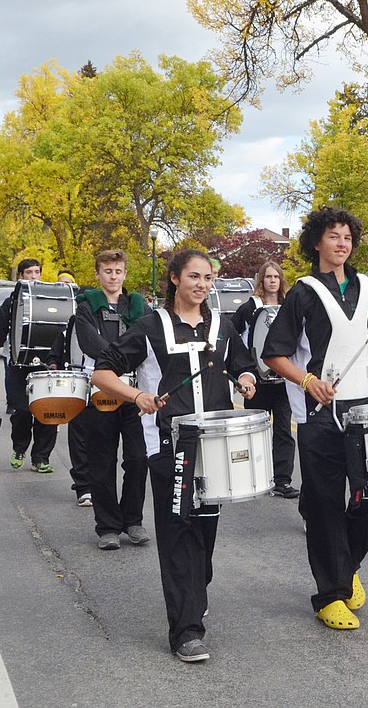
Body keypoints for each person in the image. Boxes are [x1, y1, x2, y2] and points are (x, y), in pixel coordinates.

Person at [91, 249, 257, 663]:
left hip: (216, 443)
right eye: (194, 276)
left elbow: (242, 364)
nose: (202, 284)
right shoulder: (150, 326)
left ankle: (194, 593)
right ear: (174, 279)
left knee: (205, 533)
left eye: (208, 278)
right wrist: (138, 395)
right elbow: (101, 372)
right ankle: (185, 632)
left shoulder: (223, 325)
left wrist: (248, 378)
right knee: (178, 532)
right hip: (169, 445)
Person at [262, 207, 368, 631]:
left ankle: (346, 565)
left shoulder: (367, 288)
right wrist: (307, 381)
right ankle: (330, 595)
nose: (342, 243)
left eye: (347, 237)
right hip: (320, 414)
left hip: (366, 410)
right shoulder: (303, 292)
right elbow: (274, 353)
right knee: (324, 506)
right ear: (316, 243)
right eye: (333, 236)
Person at [72, 250, 151, 546]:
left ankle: (133, 521)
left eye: (118, 271)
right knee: (101, 460)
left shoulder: (138, 306)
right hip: (100, 392)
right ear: (98, 274)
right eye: (107, 271)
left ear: (124, 274)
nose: (113, 276)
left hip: (134, 393)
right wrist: (119, 359)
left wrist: (128, 362)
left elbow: (144, 340)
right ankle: (107, 526)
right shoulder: (86, 306)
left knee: (137, 458)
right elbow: (90, 343)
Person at [231, 260, 299, 499]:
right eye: (268, 276)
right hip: (256, 381)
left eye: (276, 277)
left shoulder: (289, 306)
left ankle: (282, 480)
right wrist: (244, 368)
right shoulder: (249, 307)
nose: (272, 280)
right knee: (255, 431)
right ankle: (254, 477)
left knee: (283, 430)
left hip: (283, 380)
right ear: (261, 280)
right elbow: (231, 335)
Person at [0, 259, 59, 473]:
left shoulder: (50, 299)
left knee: (48, 412)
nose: (34, 276)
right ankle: (19, 449)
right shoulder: (12, 301)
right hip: (19, 363)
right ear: (20, 276)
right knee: (21, 412)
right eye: (29, 272)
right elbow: (0, 328)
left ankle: (41, 458)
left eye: (37, 272)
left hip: (48, 365)